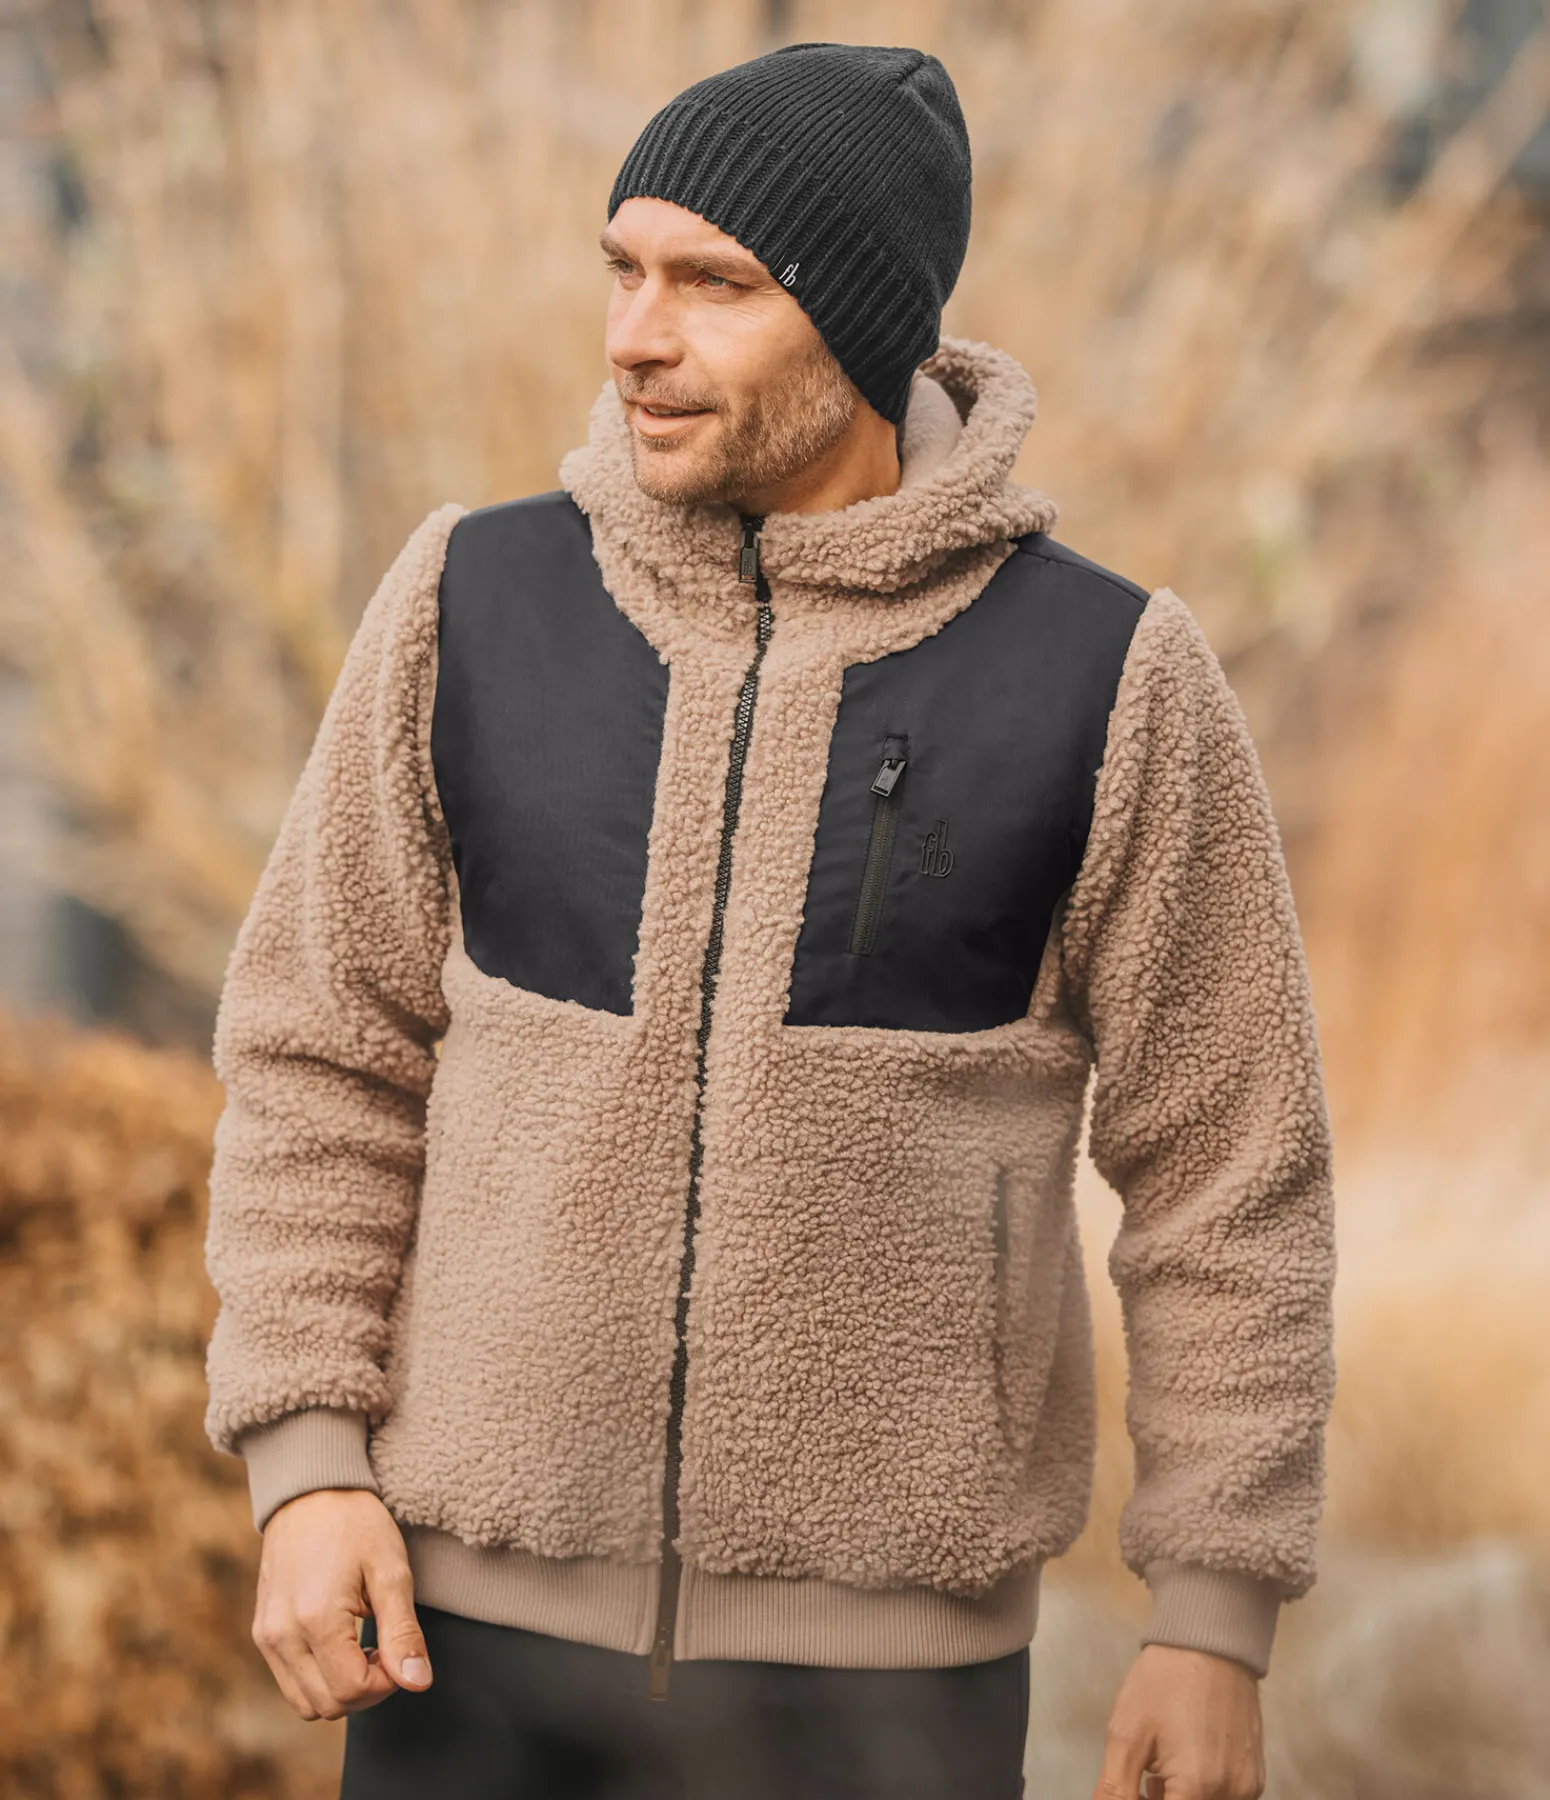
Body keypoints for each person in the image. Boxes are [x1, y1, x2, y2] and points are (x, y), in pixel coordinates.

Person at [202, 40, 1337, 1800]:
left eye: (712, 284)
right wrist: (305, 1462)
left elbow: (1230, 1169)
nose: (632, 336)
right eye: (622, 269)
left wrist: (1210, 1619)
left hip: (882, 1697)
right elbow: (316, 1054)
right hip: (463, 1649)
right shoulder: (470, 601)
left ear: (864, 329)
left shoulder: (1106, 674)